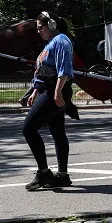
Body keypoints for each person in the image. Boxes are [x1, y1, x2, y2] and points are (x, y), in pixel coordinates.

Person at [23, 11, 74, 191]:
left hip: (56, 90)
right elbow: (44, 70)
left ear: (51, 25)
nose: (38, 31)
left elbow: (64, 70)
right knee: (58, 132)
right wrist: (35, 91)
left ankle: (44, 173)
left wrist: (57, 92)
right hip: (51, 89)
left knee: (28, 128)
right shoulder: (52, 43)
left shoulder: (61, 41)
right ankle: (62, 176)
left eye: (40, 27)